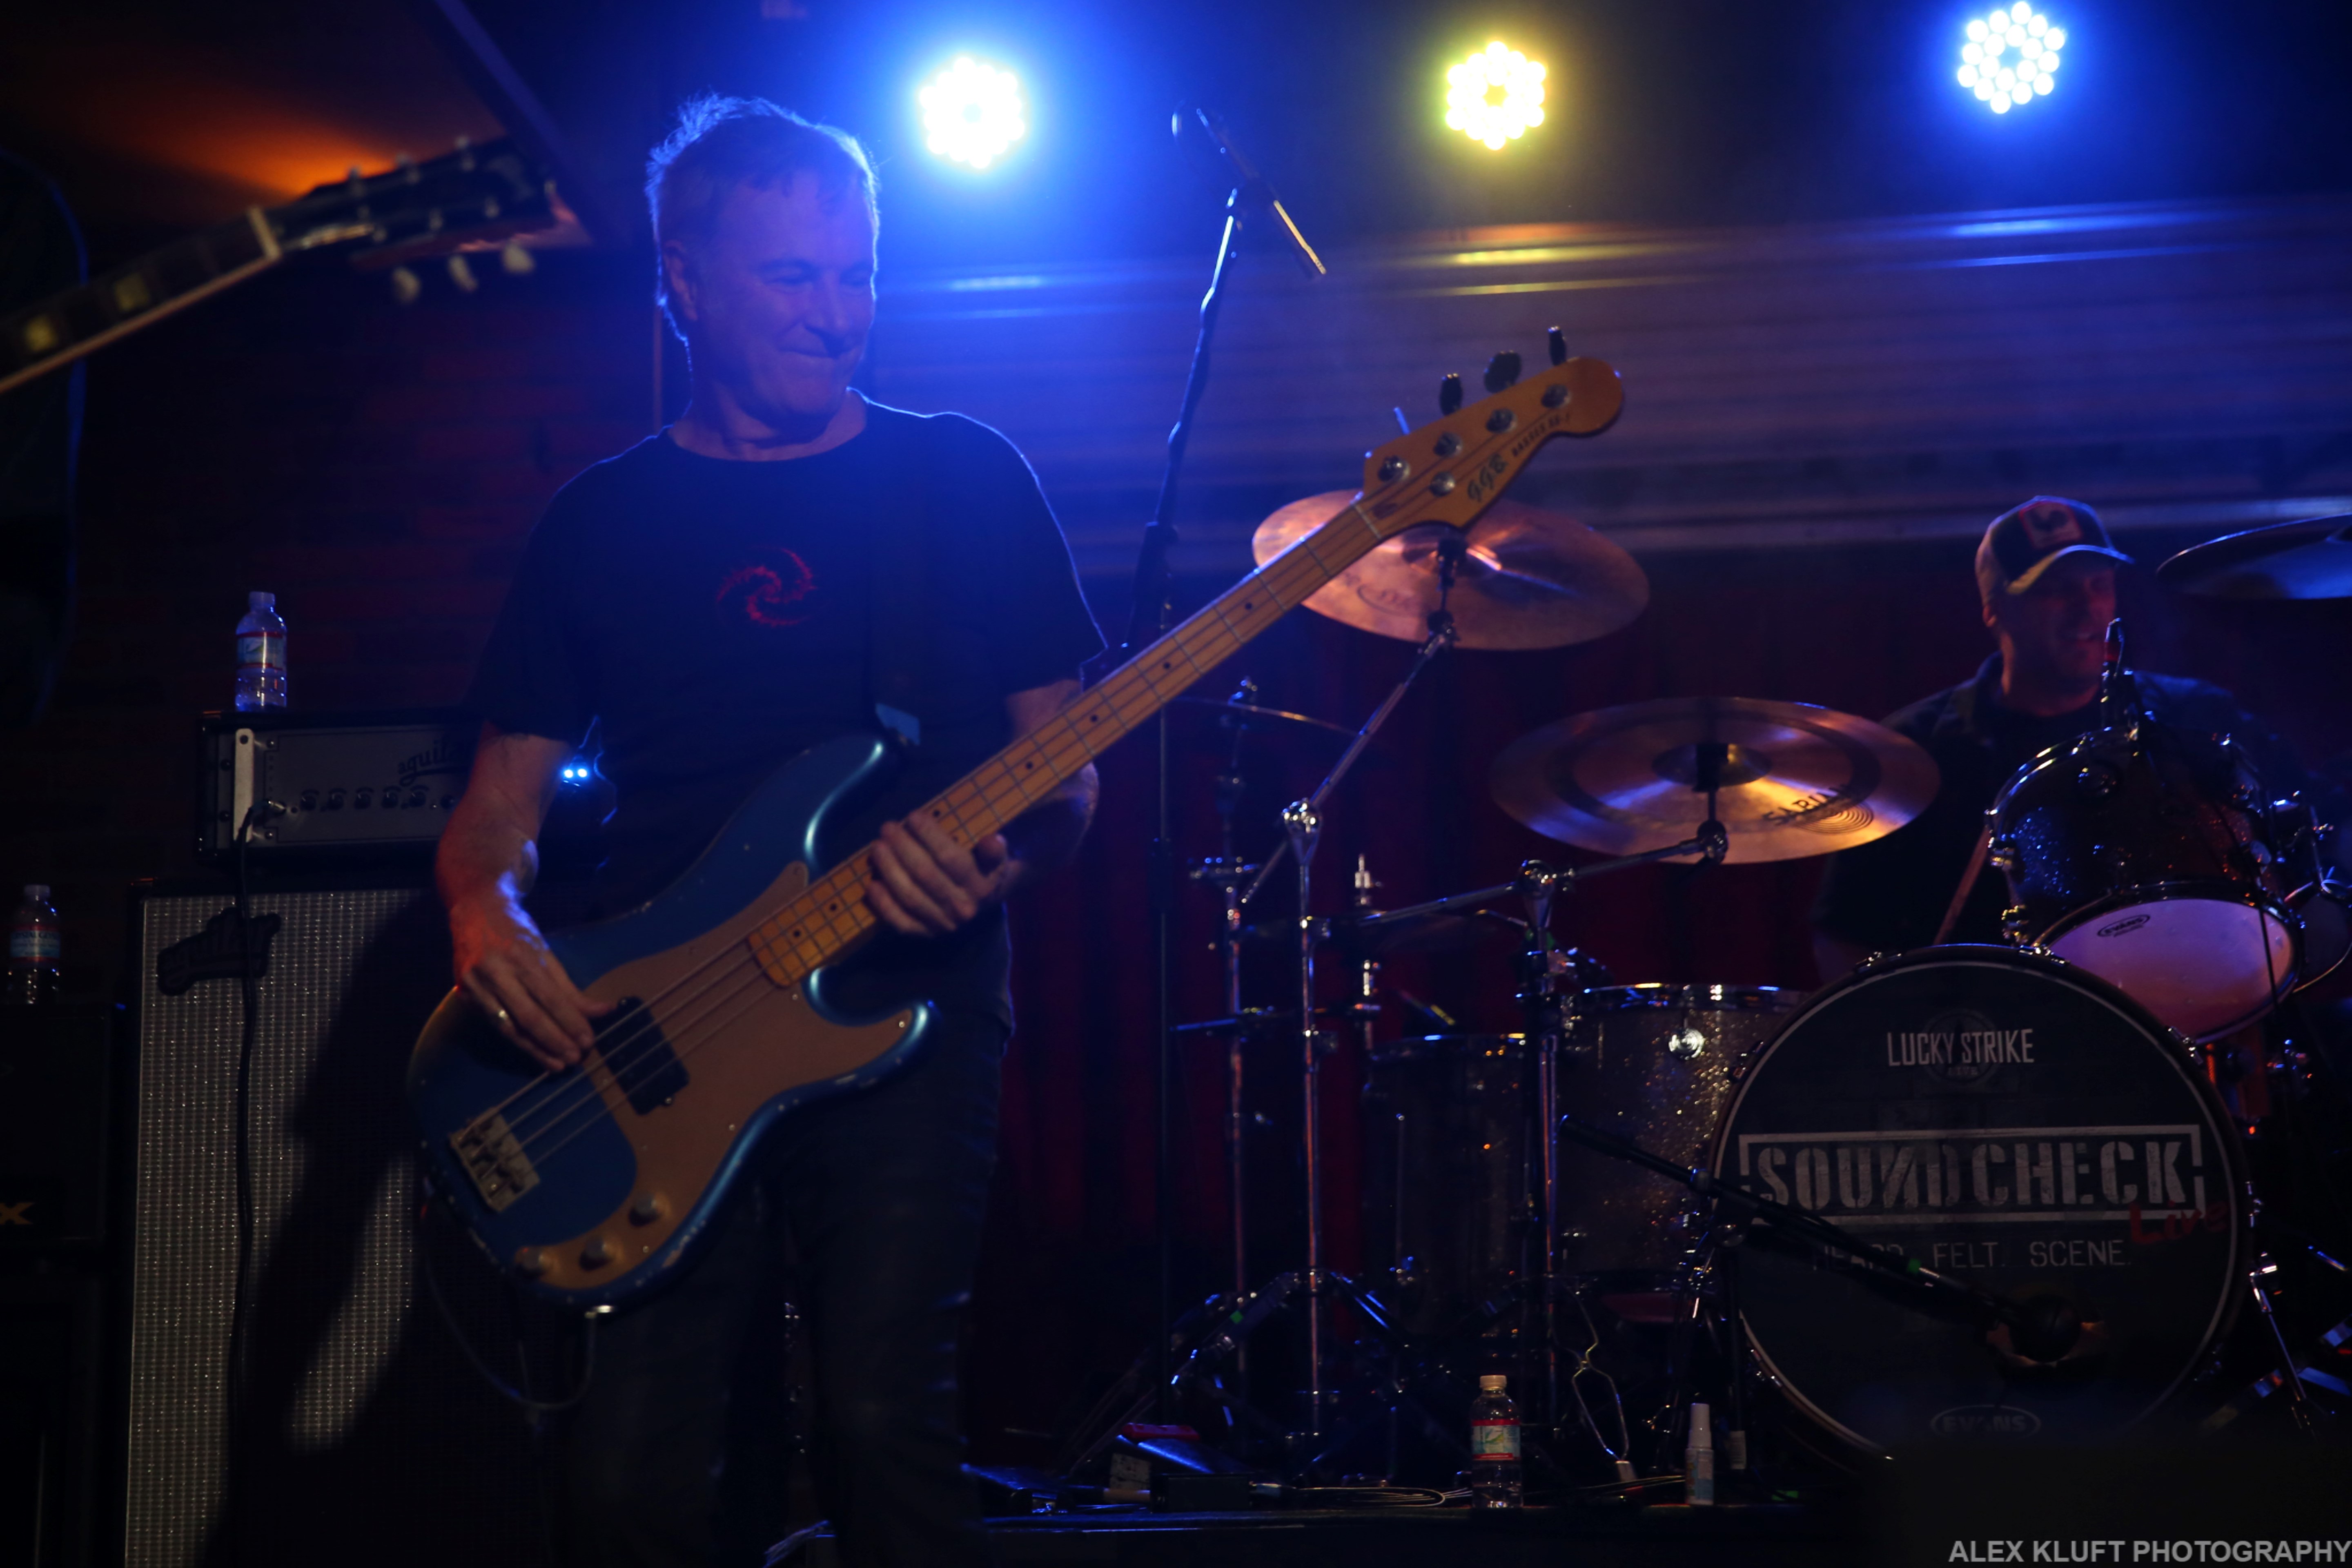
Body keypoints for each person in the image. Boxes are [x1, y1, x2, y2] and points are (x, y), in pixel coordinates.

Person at [436, 97, 1104, 1567]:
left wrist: (998, 857)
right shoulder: (600, 519)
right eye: (795, 276)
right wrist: (489, 919)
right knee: (629, 1475)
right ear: (684, 281)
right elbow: (496, 811)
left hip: (906, 1011)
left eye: (856, 273)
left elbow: (1065, 779)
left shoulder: (961, 479)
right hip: (656, 1034)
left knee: (879, 1425)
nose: (838, 313)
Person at [1811, 496, 2321, 979]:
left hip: (2181, 1011)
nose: (2088, 608)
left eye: (2099, 585)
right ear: (1993, 608)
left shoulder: (2196, 717)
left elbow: (2312, 839)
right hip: (1990, 1024)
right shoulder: (1916, 749)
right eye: (2055, 590)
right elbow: (1844, 933)